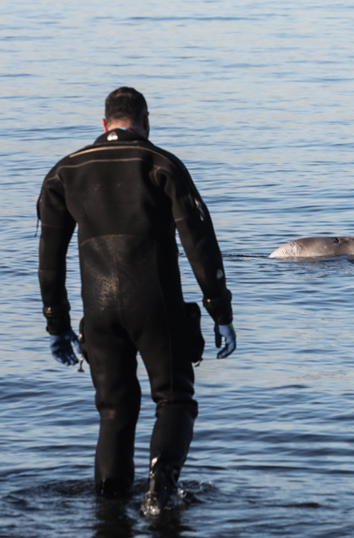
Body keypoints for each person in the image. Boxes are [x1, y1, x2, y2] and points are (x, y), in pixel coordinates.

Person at [37, 87, 237, 512]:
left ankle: (109, 505)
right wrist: (220, 311)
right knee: (174, 398)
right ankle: (160, 490)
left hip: (99, 310)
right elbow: (199, 243)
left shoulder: (64, 171)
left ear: (104, 124)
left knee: (113, 410)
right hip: (156, 303)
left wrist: (57, 324)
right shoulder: (160, 163)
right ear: (146, 122)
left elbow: (49, 258)